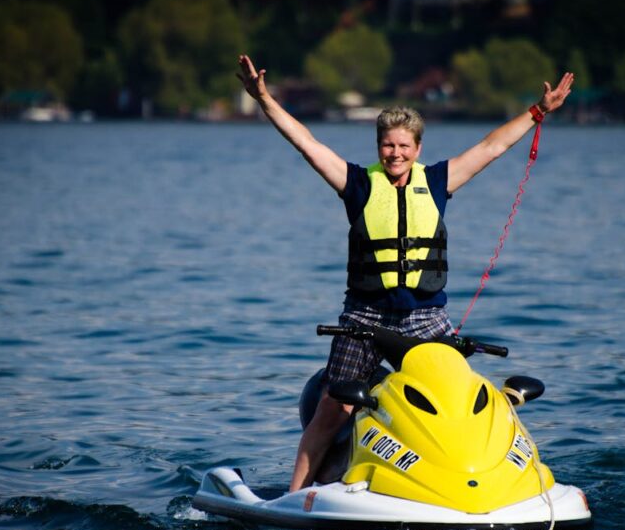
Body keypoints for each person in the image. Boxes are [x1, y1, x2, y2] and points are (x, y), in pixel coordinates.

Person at [236, 54, 573, 492]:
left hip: (426, 321)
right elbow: (306, 142)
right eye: (387, 145)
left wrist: (538, 112)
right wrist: (263, 98)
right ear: (379, 147)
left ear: (417, 149)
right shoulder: (357, 184)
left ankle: (476, 481)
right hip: (364, 320)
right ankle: (292, 498)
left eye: (403, 146)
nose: (395, 154)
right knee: (331, 411)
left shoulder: (436, 182)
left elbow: (491, 146)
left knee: (456, 401)